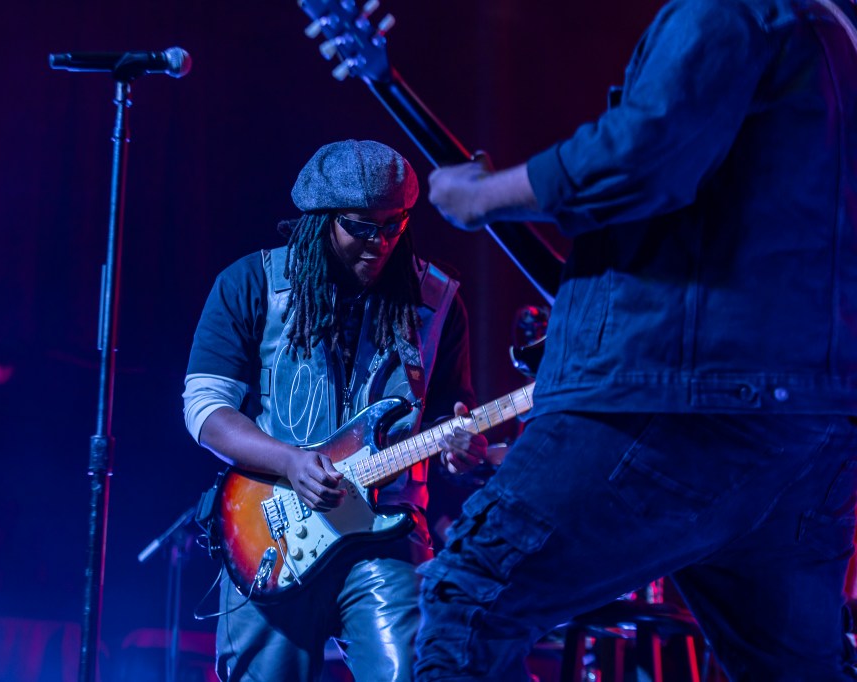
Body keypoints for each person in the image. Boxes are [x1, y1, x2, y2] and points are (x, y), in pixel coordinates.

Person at [414, 0, 857, 680]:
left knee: (470, 597)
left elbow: (642, 155)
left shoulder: (734, 8)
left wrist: (484, 196)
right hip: (811, 425)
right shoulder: (837, 33)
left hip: (675, 398)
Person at [183, 139, 488, 682]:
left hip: (387, 532)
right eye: (361, 227)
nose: (381, 243)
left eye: (394, 225)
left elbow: (446, 415)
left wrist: (459, 445)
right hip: (271, 533)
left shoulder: (438, 301)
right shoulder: (251, 283)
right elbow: (206, 408)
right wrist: (290, 462)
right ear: (319, 220)